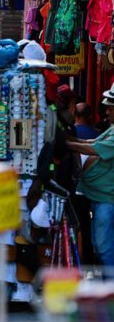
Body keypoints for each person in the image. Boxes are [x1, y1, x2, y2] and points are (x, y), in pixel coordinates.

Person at [67, 92, 114, 267]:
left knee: (104, 247)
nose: (107, 112)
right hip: (99, 197)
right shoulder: (112, 128)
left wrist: (67, 143)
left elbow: (94, 149)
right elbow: (93, 142)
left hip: (107, 199)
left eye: (110, 108)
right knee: (99, 244)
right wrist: (71, 140)